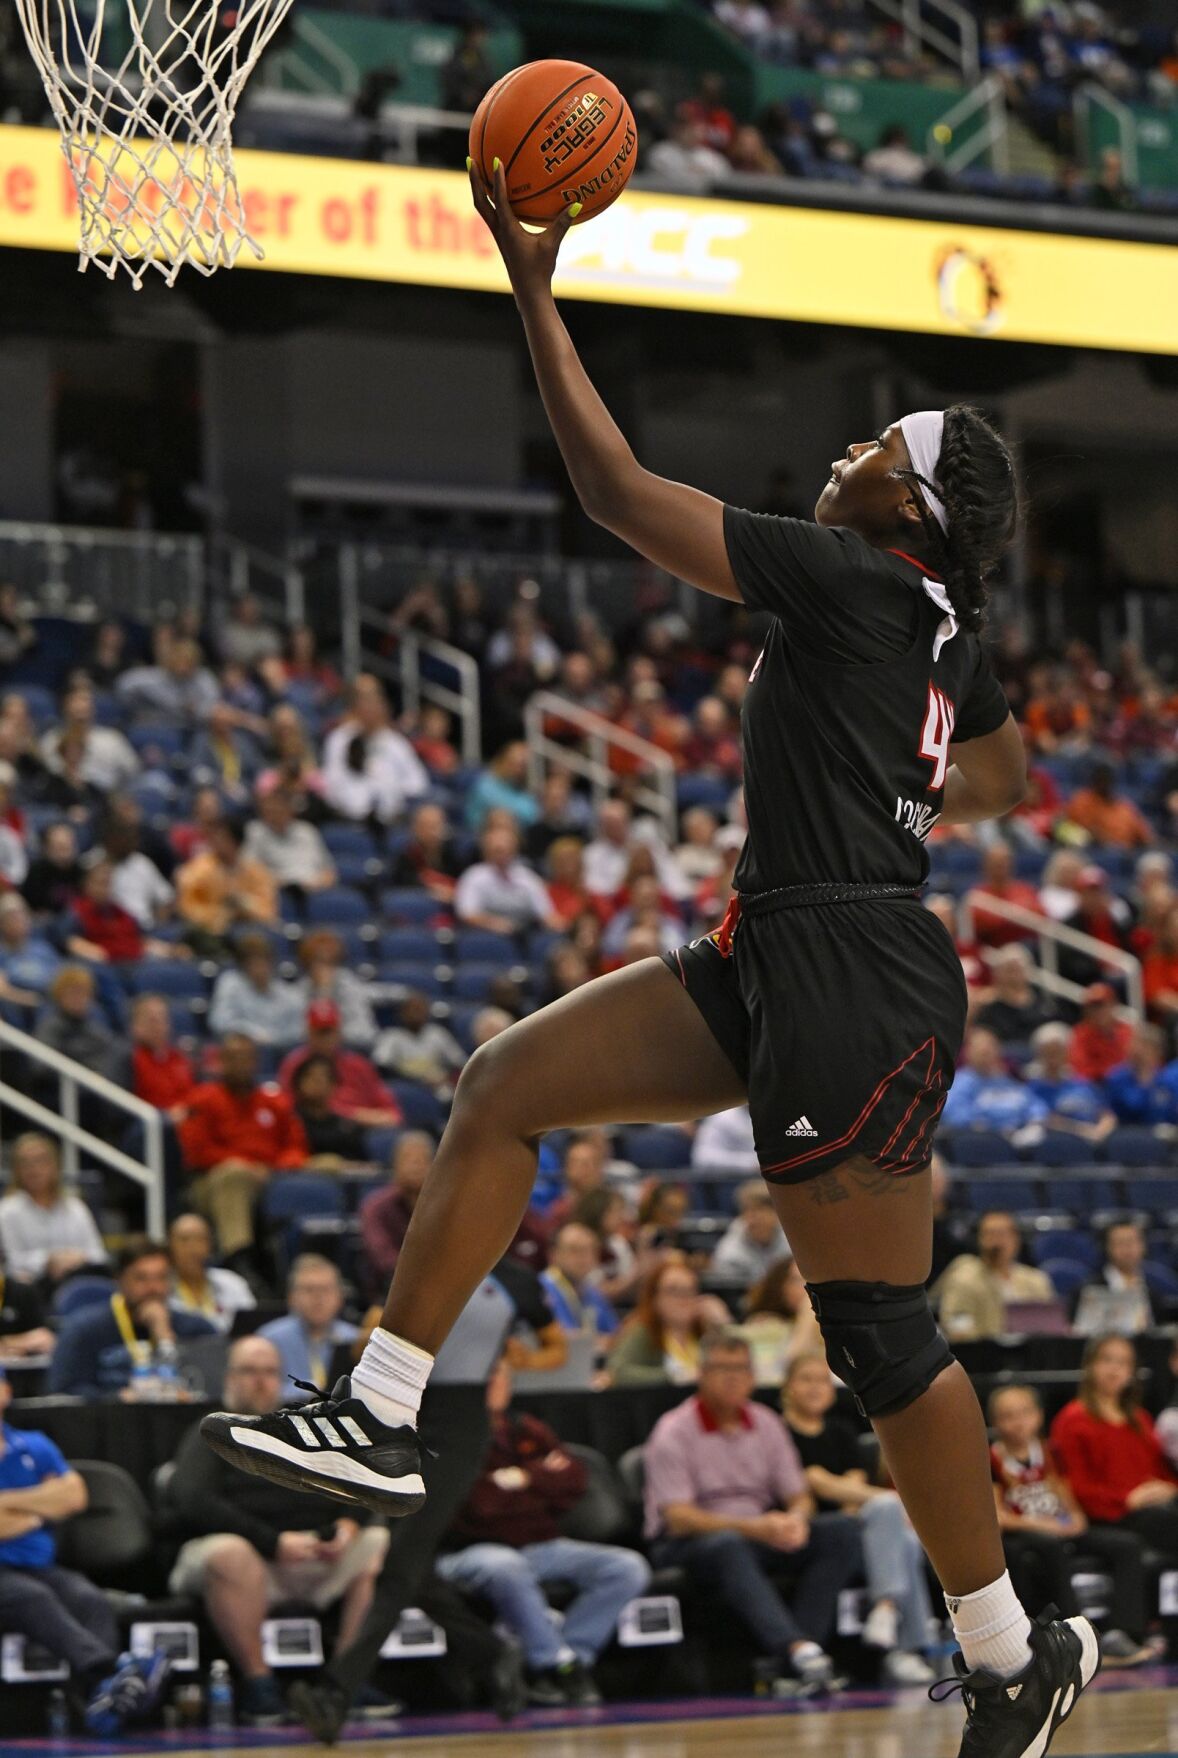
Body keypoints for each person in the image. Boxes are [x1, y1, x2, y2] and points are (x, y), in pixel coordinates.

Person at [203, 176, 1097, 1758]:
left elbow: (614, 489)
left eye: (875, 448)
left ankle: (1006, 1651)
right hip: (783, 939)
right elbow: (1007, 783)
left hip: (851, 969)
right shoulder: (943, 631)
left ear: (913, 511)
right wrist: (898, 783)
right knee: (504, 1086)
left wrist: (528, 277)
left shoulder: (850, 580)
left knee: (878, 1333)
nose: (847, 449)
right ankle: (386, 1407)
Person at [168, 1336, 389, 1725]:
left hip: (312, 1557)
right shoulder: (212, 1431)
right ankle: (259, 1686)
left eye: (269, 1372)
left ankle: (345, 1680)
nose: (259, 1381)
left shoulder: (305, 1427)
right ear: (229, 1377)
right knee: (229, 1551)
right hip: (246, 1561)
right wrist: (272, 1543)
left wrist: (347, 1525)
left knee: (377, 1540)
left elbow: (355, 1480)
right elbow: (191, 1500)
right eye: (249, 1371)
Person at [644, 1329, 859, 1694]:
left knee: (842, 1530)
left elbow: (798, 1494)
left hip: (758, 1533)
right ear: (701, 1373)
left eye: (742, 1369)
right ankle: (795, 1648)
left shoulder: (765, 1422)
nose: (733, 1377)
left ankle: (801, 1656)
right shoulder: (673, 1431)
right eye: (722, 1368)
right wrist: (755, 1528)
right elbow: (679, 1517)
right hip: (688, 1543)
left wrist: (796, 1520)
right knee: (728, 1544)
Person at [436, 1356, 649, 1705]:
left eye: (500, 1376)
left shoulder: (525, 1429)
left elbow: (573, 1479)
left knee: (627, 1568)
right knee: (506, 1566)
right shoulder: (447, 1434)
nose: (493, 1384)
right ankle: (555, 1666)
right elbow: (478, 1506)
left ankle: (569, 1655)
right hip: (469, 1550)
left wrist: (521, 1478)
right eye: (484, 1376)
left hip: (541, 1545)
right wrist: (536, 1483)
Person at [0, 1368, 171, 1735]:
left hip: (40, 1566)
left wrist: (12, 1508)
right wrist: (41, 1506)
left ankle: (100, 1703)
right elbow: (55, 1501)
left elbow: (75, 1496)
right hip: (8, 1576)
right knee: (32, 1597)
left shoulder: (34, 1445)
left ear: (6, 1391)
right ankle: (111, 1673)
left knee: (89, 1598)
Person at [783, 1351, 935, 1684]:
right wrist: (889, 1498)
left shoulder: (841, 1430)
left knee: (904, 1538)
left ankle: (887, 1614)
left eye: (821, 1380)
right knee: (891, 1517)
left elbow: (849, 1486)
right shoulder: (781, 1433)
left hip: (859, 1526)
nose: (814, 1387)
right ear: (788, 1388)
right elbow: (815, 1482)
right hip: (816, 1532)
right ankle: (906, 1645)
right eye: (805, 1379)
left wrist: (842, 1491)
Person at [990, 1382, 1152, 1669]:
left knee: (1126, 1544)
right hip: (1024, 1534)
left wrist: (1076, 1519)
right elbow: (999, 1517)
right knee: (1050, 1546)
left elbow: (1068, 1501)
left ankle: (1122, 1633)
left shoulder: (1050, 1452)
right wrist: (1046, 1526)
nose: (1018, 1422)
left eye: (1025, 1412)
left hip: (1058, 1527)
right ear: (995, 1422)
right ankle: (1077, 1637)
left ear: (1039, 1415)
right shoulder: (991, 1458)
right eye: (1008, 1415)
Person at [178, 1034, 309, 1266]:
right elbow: (197, 1153)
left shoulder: (274, 1101)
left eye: (246, 1058)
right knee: (234, 1173)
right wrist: (248, 1166)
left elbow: (296, 1145)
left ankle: (309, 1253)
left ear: (256, 1062)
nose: (240, 1064)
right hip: (211, 1182)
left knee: (328, 1165)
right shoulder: (203, 1099)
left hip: (267, 1175)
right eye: (233, 1058)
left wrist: (276, 1167)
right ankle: (238, 1259)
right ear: (221, 1061)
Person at [1051, 1336, 1178, 1557]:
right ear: (1090, 1365)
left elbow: (1161, 1471)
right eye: (1107, 1360)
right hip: (1106, 1516)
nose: (1115, 1369)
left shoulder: (1140, 1419)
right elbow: (1074, 1487)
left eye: (1123, 1362)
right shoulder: (1071, 1421)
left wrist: (1167, 1488)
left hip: (1149, 1510)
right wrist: (1127, 1499)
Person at [49, 1235, 215, 1398]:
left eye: (162, 1278)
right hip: (111, 1420)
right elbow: (64, 1390)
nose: (154, 1288)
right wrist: (115, 1398)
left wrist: (165, 1336)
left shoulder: (198, 1329)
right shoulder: (84, 1329)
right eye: (141, 1278)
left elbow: (213, 1387)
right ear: (119, 1280)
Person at [0, 1132, 107, 1285]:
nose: (34, 1168)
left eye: (40, 1161)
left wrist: (75, 1259)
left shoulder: (75, 1207)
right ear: (16, 1170)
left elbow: (98, 1255)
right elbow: (11, 1261)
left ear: (55, 1165)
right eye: (26, 1163)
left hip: (75, 1280)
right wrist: (48, 1260)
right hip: (32, 1286)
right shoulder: (7, 1210)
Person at [321, 674, 428, 826]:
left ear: (383, 708)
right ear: (356, 707)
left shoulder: (396, 743)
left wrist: (393, 788)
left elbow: (418, 782)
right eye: (365, 702)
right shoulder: (340, 739)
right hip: (348, 816)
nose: (370, 709)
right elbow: (331, 781)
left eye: (374, 703)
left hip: (390, 818)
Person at [278, 1001, 403, 1129]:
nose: (326, 1039)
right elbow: (286, 1111)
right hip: (313, 1132)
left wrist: (359, 1118)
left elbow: (393, 1115)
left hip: (360, 1134)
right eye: (320, 1032)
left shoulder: (359, 1065)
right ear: (308, 1033)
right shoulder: (294, 1064)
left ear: (339, 1032)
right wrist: (351, 1114)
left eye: (330, 1031)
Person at [935, 1211, 1056, 1342]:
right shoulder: (964, 1277)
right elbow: (956, 1324)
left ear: (1016, 1239)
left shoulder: (1036, 1279)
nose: (996, 1242)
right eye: (989, 1234)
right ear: (979, 1239)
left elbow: (1050, 1325)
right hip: (984, 1353)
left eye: (1002, 1234)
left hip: (1030, 1354)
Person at [608, 1259, 729, 1386]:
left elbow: (739, 1366)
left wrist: (723, 1324)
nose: (683, 1299)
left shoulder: (706, 1331)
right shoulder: (643, 1331)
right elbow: (618, 1372)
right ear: (655, 1298)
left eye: (689, 1291)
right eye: (673, 1291)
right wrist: (673, 1376)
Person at [259, 1256, 359, 1400]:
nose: (318, 1297)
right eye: (309, 1290)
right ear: (291, 1297)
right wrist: (308, 1392)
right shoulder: (268, 1341)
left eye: (325, 1289)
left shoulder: (354, 1339)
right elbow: (259, 1392)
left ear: (340, 1297)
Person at [176, 818, 278, 955]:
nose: (216, 842)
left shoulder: (256, 872)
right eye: (215, 836)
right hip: (213, 933)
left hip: (249, 931)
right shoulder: (198, 870)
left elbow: (268, 911)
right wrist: (221, 915)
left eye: (222, 838)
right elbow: (188, 907)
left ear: (236, 842)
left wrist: (244, 904)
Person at [454, 817, 562, 936]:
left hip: (522, 936)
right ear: (486, 850)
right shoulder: (474, 876)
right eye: (498, 850)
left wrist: (564, 927)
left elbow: (547, 915)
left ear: (515, 850)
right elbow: (467, 915)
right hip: (485, 936)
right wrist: (497, 924)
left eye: (507, 849)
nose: (503, 854)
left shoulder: (527, 877)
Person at [359, 1133, 435, 1297]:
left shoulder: (442, 1207)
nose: (416, 1165)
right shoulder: (375, 1206)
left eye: (422, 1159)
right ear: (395, 1165)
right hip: (389, 1290)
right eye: (409, 1158)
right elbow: (382, 1255)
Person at [939, 1028, 1048, 1135]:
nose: (986, 1056)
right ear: (968, 1053)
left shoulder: (1004, 1079)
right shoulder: (961, 1082)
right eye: (982, 1052)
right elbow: (954, 1114)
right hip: (980, 1138)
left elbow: (1034, 1105)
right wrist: (990, 1125)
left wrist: (1034, 1123)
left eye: (990, 1050)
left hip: (1015, 1136)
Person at [208, 931, 305, 1048]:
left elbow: (300, 1030)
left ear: (272, 962)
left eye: (264, 961)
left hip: (279, 1052)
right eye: (253, 962)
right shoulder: (231, 983)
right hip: (245, 1049)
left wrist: (272, 1039)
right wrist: (252, 1033)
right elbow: (219, 1021)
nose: (260, 968)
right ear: (244, 965)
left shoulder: (288, 994)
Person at [740, 1255, 824, 1385]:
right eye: (796, 1280)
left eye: (810, 1280)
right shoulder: (764, 1324)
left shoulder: (827, 1328)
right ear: (780, 1286)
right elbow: (784, 1370)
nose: (806, 1288)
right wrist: (807, 1313)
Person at [168, 1212, 255, 1333]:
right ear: (170, 1245)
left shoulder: (231, 1282)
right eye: (184, 1240)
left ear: (210, 1245)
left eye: (200, 1239)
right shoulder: (160, 1287)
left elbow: (252, 1324)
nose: (192, 1248)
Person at [243, 787, 336, 897]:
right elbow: (247, 868)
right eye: (270, 809)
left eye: (279, 808)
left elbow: (329, 871)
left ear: (290, 810)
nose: (275, 813)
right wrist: (276, 882)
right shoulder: (256, 831)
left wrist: (318, 884)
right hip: (280, 890)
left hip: (315, 888)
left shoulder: (307, 831)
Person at [294, 930, 378, 1049]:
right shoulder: (299, 990)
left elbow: (365, 1032)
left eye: (331, 961)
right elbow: (301, 1033)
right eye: (319, 961)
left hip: (351, 1048)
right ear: (307, 963)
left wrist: (335, 1036)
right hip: (313, 1051)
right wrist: (323, 991)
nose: (325, 968)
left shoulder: (348, 983)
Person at [1073, 1220, 1155, 1337]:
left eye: (1132, 1241)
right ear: (1107, 1247)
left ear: (1143, 1246)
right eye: (1120, 1243)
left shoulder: (1154, 1289)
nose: (1128, 1248)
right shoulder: (1088, 1288)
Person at [539, 1224, 618, 1342]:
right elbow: (564, 1338)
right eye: (574, 1250)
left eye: (590, 1250)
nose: (584, 1257)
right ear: (554, 1255)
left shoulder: (592, 1292)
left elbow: (615, 1334)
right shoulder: (543, 1288)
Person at [373, 990, 465, 1088]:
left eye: (420, 1009)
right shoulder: (391, 1035)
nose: (416, 1013)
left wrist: (446, 1076)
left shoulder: (437, 1033)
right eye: (412, 1009)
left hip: (436, 1085)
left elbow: (459, 1062)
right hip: (405, 1085)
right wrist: (415, 1078)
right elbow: (381, 1066)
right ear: (402, 1013)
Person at [291, 1056, 372, 1165]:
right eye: (310, 1077)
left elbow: (362, 1163)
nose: (318, 1082)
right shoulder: (289, 1123)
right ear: (298, 1084)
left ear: (334, 1086)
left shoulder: (347, 1128)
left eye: (324, 1077)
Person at [709, 1180, 790, 1284]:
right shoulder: (729, 1252)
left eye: (762, 1211)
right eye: (749, 1212)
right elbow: (730, 1294)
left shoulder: (792, 1243)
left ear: (777, 1213)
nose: (756, 1220)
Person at [130, 993, 196, 1120]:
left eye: (163, 1019)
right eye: (152, 1020)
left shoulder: (179, 1058)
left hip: (188, 1123)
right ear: (136, 1026)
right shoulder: (130, 1060)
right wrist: (165, 1116)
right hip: (154, 1127)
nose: (159, 1026)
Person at [974, 945, 1056, 1043]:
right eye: (1010, 970)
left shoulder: (1044, 1005)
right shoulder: (989, 1010)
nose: (1014, 976)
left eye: (1018, 969)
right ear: (998, 974)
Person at [1069, 983, 1133, 1082]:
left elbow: (1135, 1063)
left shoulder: (1126, 1031)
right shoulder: (1080, 1034)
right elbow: (1081, 1070)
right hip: (1096, 1086)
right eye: (1093, 1007)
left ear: (1112, 1004)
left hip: (1125, 1086)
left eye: (1101, 1006)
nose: (1097, 1011)